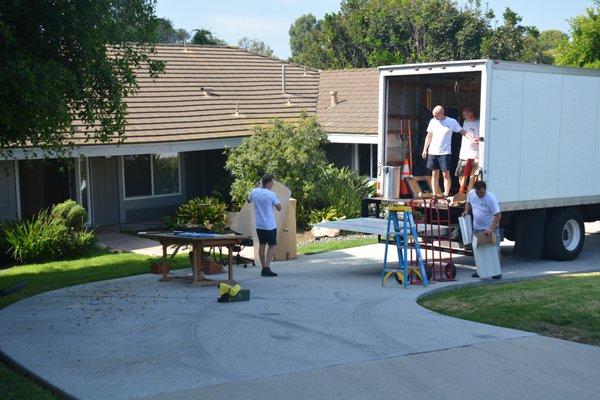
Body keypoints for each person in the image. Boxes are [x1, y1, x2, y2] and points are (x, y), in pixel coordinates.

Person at [422, 105, 467, 197]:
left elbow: (462, 131)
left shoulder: (451, 121)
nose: (434, 117)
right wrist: (424, 149)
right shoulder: (432, 121)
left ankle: (446, 193)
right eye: (433, 115)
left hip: (445, 152)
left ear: (442, 113)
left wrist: (472, 137)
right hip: (432, 151)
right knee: (434, 173)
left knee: (445, 173)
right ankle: (435, 193)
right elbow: (429, 136)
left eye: (436, 115)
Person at [462, 180, 502, 279]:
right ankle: (480, 271)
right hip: (477, 228)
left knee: (494, 251)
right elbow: (468, 203)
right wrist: (466, 211)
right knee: (478, 252)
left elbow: (498, 216)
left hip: (490, 229)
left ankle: (497, 272)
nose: (479, 195)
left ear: (485, 190)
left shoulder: (491, 199)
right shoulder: (471, 193)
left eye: (481, 193)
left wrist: (491, 228)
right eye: (477, 192)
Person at [247, 174, 281, 277]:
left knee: (262, 244)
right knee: (271, 245)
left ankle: (263, 268)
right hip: (269, 225)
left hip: (259, 225)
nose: (273, 184)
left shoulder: (254, 192)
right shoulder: (271, 194)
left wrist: (256, 189)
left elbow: (248, 200)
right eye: (272, 182)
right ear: (269, 182)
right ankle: (266, 268)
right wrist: (277, 199)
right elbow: (279, 208)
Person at [455, 107, 480, 188]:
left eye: (465, 114)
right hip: (464, 154)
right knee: (461, 173)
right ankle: (462, 193)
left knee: (473, 176)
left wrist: (476, 140)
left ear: (471, 113)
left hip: (474, 154)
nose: (464, 116)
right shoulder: (465, 121)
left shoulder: (479, 123)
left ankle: (470, 191)